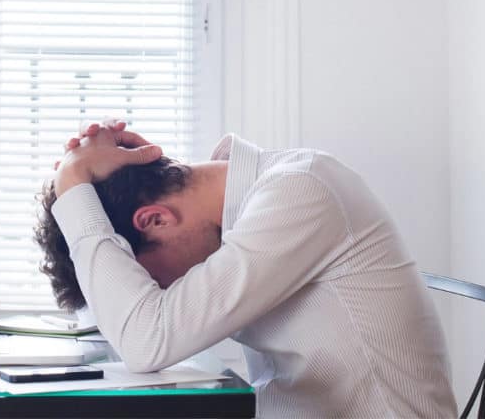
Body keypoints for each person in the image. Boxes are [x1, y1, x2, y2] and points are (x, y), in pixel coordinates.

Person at [36, 120, 457, 418]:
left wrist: (74, 186)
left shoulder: (300, 191)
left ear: (156, 220)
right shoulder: (255, 198)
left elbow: (147, 339)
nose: (161, 292)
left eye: (152, 282)